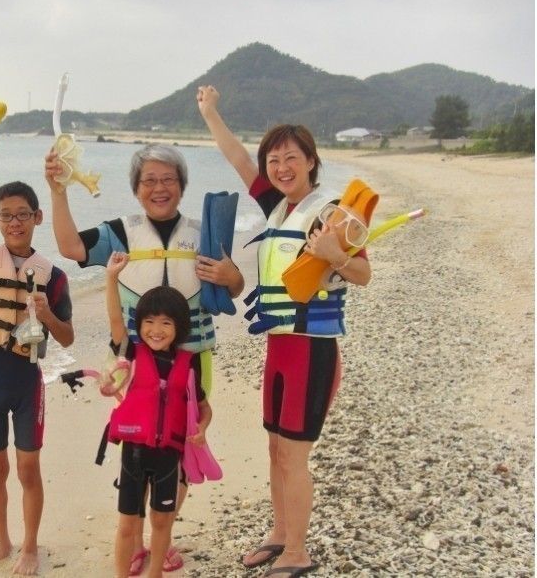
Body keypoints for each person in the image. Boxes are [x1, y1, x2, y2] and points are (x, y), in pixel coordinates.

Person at [197, 85, 371, 578]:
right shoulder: (277, 208)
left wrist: (336, 256)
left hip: (312, 352)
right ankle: (280, 534)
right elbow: (235, 158)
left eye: (291, 158)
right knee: (275, 448)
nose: (280, 167)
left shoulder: (332, 213)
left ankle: (298, 552)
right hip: (278, 349)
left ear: (312, 162)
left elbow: (362, 274)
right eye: (273, 160)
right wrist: (211, 112)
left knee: (294, 456)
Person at [44, 143, 243, 574]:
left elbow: (234, 287)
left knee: (182, 448)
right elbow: (70, 246)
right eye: (149, 180)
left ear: (182, 186)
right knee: (139, 444)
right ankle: (133, 542)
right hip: (136, 361)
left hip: (193, 358)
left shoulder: (204, 232)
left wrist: (232, 276)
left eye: (168, 179)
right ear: (135, 189)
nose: (159, 188)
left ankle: (158, 539)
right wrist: (58, 190)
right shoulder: (121, 231)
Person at [0, 123, 74, 575]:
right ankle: (2, 540)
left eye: (23, 214)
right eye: (6, 215)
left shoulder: (53, 276)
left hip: (27, 382)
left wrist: (45, 315)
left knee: (27, 469)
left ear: (38, 217)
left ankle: (30, 545)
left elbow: (66, 338)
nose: (15, 222)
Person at [104, 252, 212, 578]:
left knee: (162, 521)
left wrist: (202, 428)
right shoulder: (132, 354)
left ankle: (155, 574)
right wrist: (111, 278)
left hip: (169, 456)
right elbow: (114, 322)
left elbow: (203, 407)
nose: (156, 329)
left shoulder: (188, 362)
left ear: (179, 328)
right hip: (134, 454)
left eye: (166, 323)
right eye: (149, 321)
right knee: (127, 524)